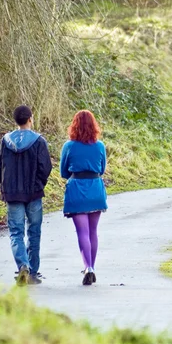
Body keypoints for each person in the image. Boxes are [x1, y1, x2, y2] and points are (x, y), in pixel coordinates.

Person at [0, 105, 52, 286]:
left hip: (12, 194)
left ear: (15, 120)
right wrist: (39, 185)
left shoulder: (5, 140)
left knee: (16, 232)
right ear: (30, 119)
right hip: (33, 194)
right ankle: (32, 272)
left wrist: (4, 185)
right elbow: (45, 168)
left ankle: (22, 265)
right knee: (34, 232)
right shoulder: (39, 141)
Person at [60, 110, 107, 285]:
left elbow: (64, 172)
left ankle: (88, 267)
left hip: (77, 190)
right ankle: (92, 267)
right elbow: (101, 170)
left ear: (74, 125)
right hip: (95, 190)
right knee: (93, 231)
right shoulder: (100, 146)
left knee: (82, 232)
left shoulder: (69, 146)